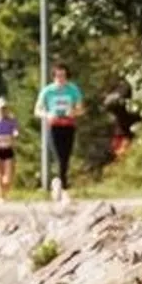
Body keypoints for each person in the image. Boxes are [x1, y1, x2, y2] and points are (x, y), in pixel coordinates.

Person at [35, 62, 84, 194]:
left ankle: (60, 181)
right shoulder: (47, 91)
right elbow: (37, 110)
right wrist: (47, 114)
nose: (60, 79)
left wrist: (73, 112)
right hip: (54, 126)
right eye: (58, 76)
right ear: (54, 77)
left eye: (63, 76)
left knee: (66, 155)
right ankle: (62, 183)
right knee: (58, 155)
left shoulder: (73, 89)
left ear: (67, 76)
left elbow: (80, 109)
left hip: (69, 125)